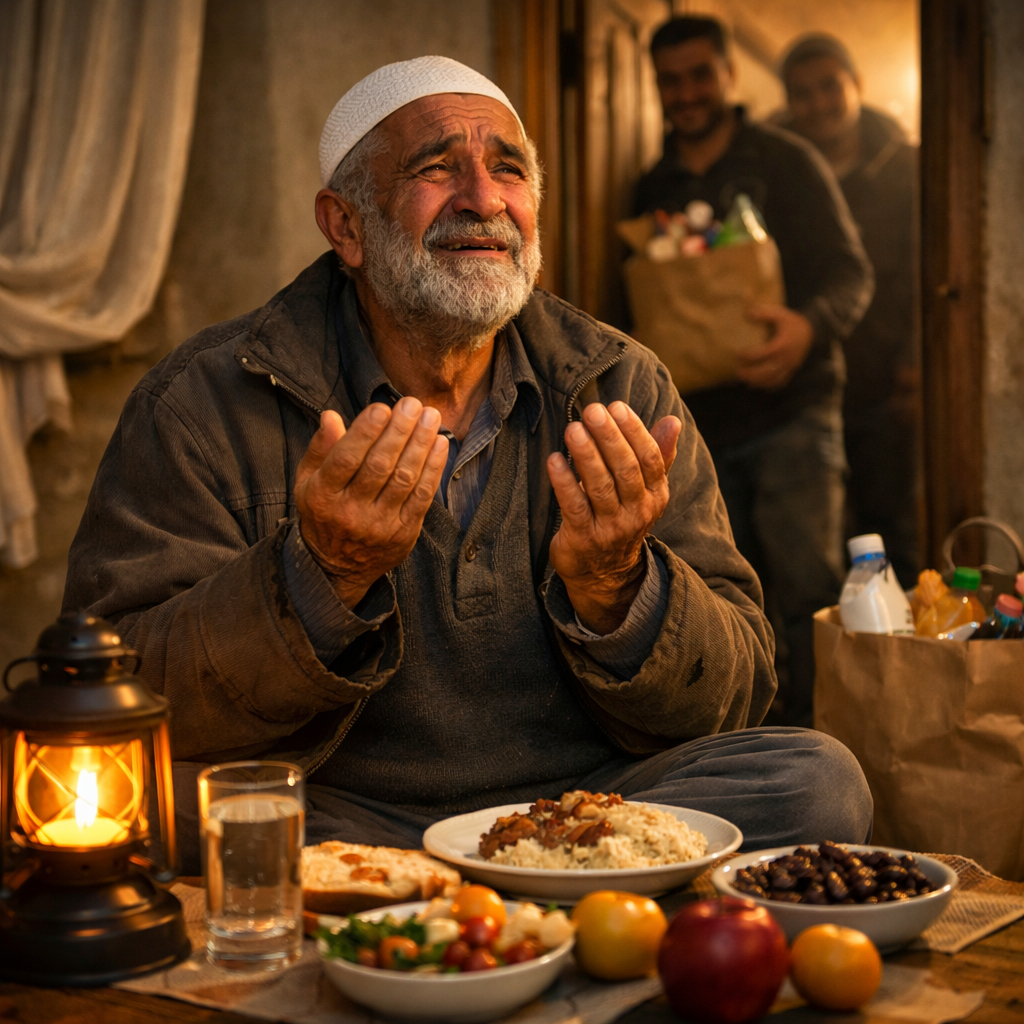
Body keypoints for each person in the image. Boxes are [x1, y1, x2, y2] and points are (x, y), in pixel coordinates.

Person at [63, 56, 870, 870]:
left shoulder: (621, 383)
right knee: (131, 807)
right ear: (345, 226)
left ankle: (492, 893)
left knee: (814, 780)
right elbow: (121, 692)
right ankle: (530, 904)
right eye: (436, 167)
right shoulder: (205, 403)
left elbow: (739, 690)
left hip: (588, 812)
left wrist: (622, 588)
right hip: (345, 821)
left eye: (508, 169)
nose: (484, 201)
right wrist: (317, 576)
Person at [633, 17, 873, 726]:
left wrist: (808, 327)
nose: (687, 93)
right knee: (721, 607)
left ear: (729, 75)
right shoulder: (649, 188)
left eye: (699, 74)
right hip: (699, 435)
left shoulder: (789, 161)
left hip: (796, 417)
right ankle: (753, 751)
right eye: (670, 80)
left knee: (809, 597)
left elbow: (851, 275)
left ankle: (831, 749)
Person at [778, 34, 919, 588]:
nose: (818, 103)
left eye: (829, 86)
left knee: (892, 527)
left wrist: (915, 361)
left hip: (883, 380)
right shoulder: (780, 170)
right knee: (818, 548)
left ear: (856, 84)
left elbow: (927, 273)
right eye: (802, 93)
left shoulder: (907, 167)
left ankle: (907, 659)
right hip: (802, 383)